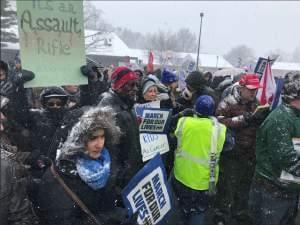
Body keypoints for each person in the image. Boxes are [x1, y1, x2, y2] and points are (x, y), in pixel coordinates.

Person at [35, 107, 128, 225]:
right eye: (93, 138)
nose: (100, 144)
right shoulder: (58, 176)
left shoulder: (104, 161)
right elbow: (61, 219)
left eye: (102, 136)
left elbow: (107, 202)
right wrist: (112, 218)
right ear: (77, 140)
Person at [248, 72, 300, 225]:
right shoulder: (281, 119)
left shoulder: (294, 116)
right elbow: (285, 158)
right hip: (272, 193)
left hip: (288, 190)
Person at [214, 73, 264, 225]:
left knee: (244, 188)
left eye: (256, 90)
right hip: (232, 155)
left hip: (249, 154)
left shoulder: (256, 103)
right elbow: (218, 122)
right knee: (227, 188)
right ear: (241, 87)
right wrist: (244, 119)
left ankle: (239, 213)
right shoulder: (227, 102)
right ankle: (220, 216)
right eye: (250, 89)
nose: (253, 93)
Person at [172, 95, 227, 225]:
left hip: (181, 176)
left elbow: (174, 137)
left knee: (182, 210)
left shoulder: (184, 122)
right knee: (198, 213)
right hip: (204, 183)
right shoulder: (219, 129)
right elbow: (229, 144)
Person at [98, 66, 142, 196]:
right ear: (118, 86)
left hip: (129, 173)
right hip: (120, 180)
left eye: (136, 85)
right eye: (130, 85)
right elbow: (107, 151)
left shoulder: (127, 105)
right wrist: (116, 183)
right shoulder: (109, 110)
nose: (135, 89)